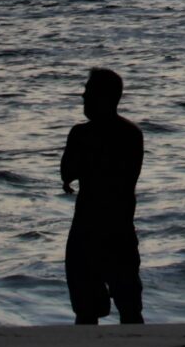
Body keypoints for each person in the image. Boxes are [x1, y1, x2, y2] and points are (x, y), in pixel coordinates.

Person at [60, 66, 145, 324]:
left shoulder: (81, 134)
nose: (83, 97)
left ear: (103, 97)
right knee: (129, 307)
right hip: (120, 228)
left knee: (86, 310)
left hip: (88, 230)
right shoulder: (131, 133)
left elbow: (67, 173)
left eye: (88, 92)